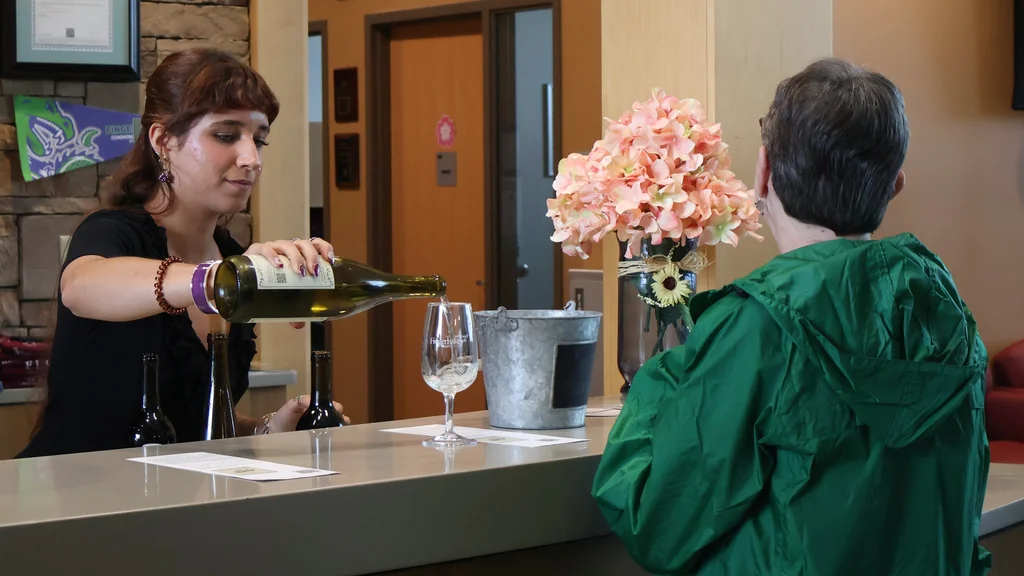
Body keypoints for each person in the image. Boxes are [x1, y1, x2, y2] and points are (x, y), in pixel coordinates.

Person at [592, 58, 991, 575]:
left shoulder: (756, 329)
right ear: (895, 185)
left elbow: (656, 522)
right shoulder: (951, 323)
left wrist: (661, 378)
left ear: (763, 172)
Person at [18, 48, 348, 458]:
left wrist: (269, 427)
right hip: (71, 505)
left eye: (259, 140)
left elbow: (188, 425)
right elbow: (81, 286)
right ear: (163, 141)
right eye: (226, 135)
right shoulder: (114, 232)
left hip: (169, 508)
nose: (251, 159)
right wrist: (213, 280)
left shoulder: (232, 257)